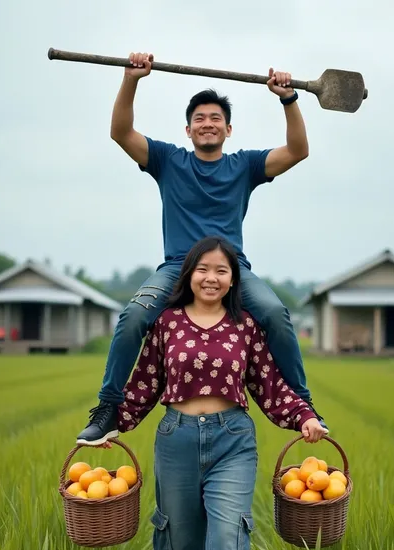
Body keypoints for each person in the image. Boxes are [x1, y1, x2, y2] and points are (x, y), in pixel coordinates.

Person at [107, 236, 326, 550]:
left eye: (222, 271)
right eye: (203, 269)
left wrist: (304, 416)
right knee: (180, 538)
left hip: (232, 440)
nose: (212, 277)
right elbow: (144, 384)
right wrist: (114, 423)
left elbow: (269, 385)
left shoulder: (246, 326)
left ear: (233, 280)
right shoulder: (165, 323)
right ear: (189, 274)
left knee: (228, 537)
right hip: (177, 439)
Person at [77, 51, 327, 446]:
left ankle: (304, 404)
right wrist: (132, 79)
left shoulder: (244, 166)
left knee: (277, 314)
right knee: (131, 319)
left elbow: (297, 151)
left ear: (228, 130)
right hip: (178, 266)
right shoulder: (167, 160)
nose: (207, 124)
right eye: (199, 119)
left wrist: (288, 98)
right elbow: (121, 133)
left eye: (215, 119)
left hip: (233, 269)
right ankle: (108, 407)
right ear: (188, 129)